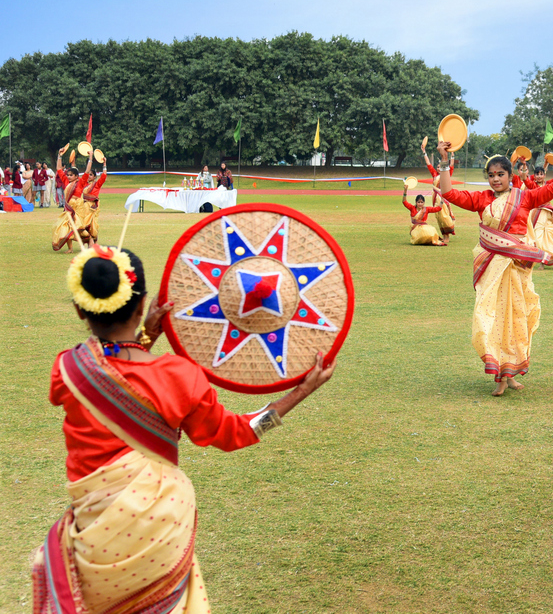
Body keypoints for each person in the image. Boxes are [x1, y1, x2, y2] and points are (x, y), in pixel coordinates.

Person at [32, 244, 336, 612]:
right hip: (155, 538)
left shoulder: (68, 370)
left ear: (81, 309)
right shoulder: (179, 377)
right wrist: (300, 392)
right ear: (142, 304)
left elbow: (117, 369)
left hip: (92, 544)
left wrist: (145, 336)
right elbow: (236, 433)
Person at [438, 130, 553, 396]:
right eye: (490, 175)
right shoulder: (482, 200)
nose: (495, 179)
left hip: (517, 270)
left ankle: (509, 372)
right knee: (490, 318)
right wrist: (444, 161)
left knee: (516, 319)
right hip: (492, 269)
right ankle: (499, 373)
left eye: (500, 174)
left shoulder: (525, 197)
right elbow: (449, 193)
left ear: (510, 176)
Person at [424, 149, 456, 244]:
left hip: (443, 197)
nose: (438, 168)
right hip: (435, 198)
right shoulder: (434, 174)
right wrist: (424, 152)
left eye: (440, 167)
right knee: (438, 217)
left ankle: (447, 235)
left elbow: (451, 166)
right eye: (437, 167)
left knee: (444, 216)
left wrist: (452, 156)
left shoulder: (446, 174)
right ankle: (443, 235)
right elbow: (428, 163)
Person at [80, 162, 108, 244]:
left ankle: (93, 242)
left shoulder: (97, 184)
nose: (89, 176)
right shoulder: (83, 184)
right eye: (88, 174)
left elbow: (104, 176)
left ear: (95, 177)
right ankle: (87, 240)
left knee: (93, 225)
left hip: (93, 207)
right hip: (84, 207)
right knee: (83, 224)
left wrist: (104, 164)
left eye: (91, 174)